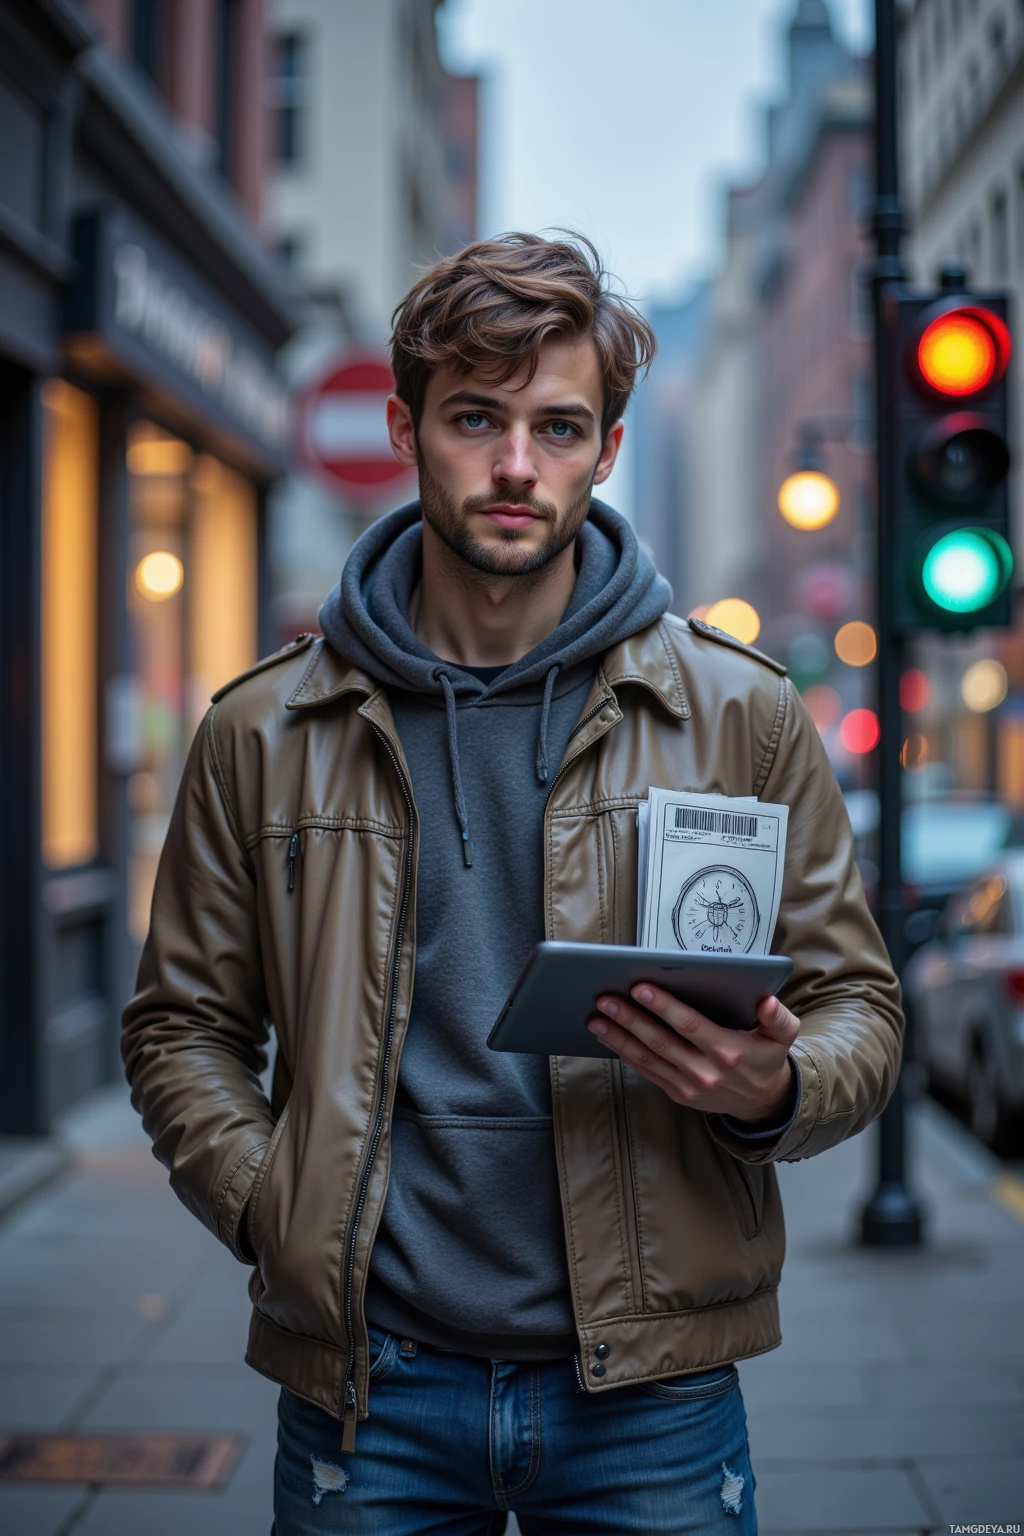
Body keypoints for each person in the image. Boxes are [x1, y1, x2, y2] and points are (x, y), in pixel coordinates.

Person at [122, 233, 903, 1535]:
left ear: (606, 448)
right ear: (403, 425)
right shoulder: (261, 731)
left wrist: (775, 1089)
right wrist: (275, 1207)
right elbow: (182, 1025)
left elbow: (862, 1010)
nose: (515, 467)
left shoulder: (737, 713)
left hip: (651, 1388)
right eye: (476, 418)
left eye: (559, 426)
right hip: (372, 1388)